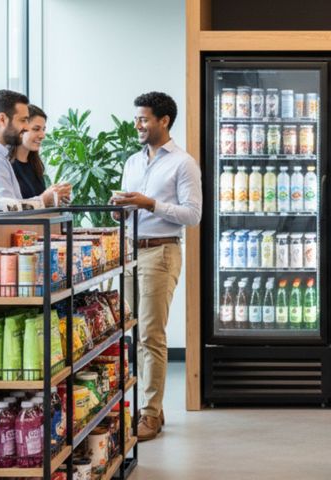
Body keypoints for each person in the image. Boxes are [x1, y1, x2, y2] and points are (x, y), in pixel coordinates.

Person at [111, 92, 202, 441]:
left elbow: (193, 215)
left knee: (151, 336)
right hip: (131, 252)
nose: (137, 125)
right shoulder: (134, 162)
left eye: (144, 119)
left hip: (160, 253)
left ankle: (148, 415)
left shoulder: (183, 163)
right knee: (134, 335)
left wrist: (151, 204)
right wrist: (123, 204)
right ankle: (153, 408)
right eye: (136, 118)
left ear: (164, 121)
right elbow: (132, 205)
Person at [0, 89, 64, 206]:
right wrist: (43, 200)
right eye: (23, 120)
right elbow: (8, 213)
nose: (25, 127)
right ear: (2, 119)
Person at [8, 105, 71, 205]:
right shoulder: (5, 165)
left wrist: (55, 196)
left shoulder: (35, 165)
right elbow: (11, 209)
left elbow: (40, 204)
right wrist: (45, 198)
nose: (42, 135)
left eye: (43, 129)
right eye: (36, 129)